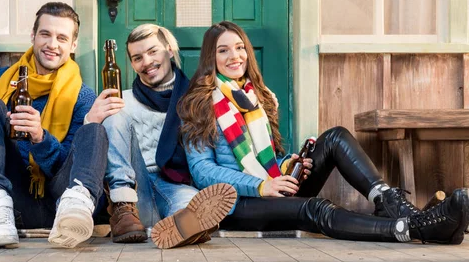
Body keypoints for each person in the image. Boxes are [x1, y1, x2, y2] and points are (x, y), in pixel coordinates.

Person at [178, 20, 469, 245]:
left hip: (271, 190)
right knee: (315, 209)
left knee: (335, 137)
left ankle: (387, 202)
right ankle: (411, 227)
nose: (235, 56)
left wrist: (289, 166)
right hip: (237, 205)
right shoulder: (198, 103)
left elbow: (266, 161)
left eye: (240, 47)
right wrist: (261, 187)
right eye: (223, 50)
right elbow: (202, 171)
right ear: (210, 57)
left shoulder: (255, 98)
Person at [0, 2, 108, 249]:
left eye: (62, 38)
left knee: (94, 130)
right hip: (15, 202)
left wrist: (40, 138)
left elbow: (65, 165)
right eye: (45, 34)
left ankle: (77, 205)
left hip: (59, 203)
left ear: (73, 45)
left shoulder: (82, 96)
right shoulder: (2, 79)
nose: (52, 44)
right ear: (33, 36)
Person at [93, 24, 237, 249]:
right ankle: (122, 210)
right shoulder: (123, 99)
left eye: (153, 52)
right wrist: (92, 119)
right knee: (114, 113)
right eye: (137, 57)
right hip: (133, 194)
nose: (147, 62)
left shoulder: (195, 99)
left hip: (173, 185)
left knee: (191, 206)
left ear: (169, 50)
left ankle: (180, 227)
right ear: (131, 64)